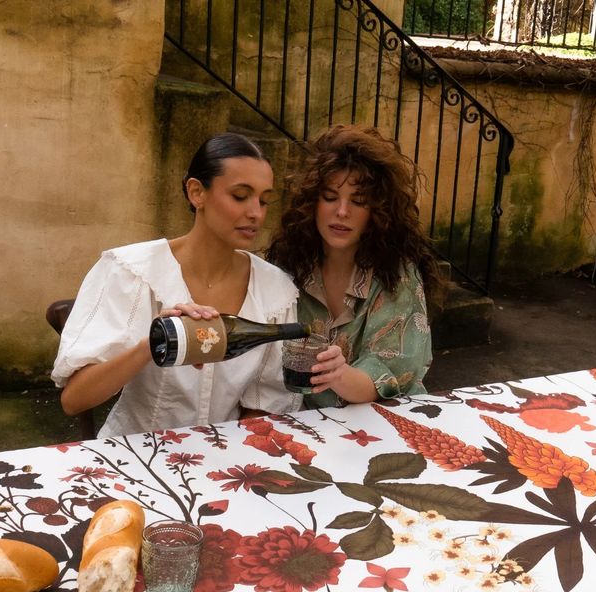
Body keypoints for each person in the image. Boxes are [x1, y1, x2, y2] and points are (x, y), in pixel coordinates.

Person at [52, 133, 302, 437]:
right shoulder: (131, 272)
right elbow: (74, 399)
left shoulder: (275, 292)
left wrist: (231, 452)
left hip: (222, 458)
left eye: (263, 200)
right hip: (134, 455)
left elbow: (266, 401)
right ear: (197, 192)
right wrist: (151, 344)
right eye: (240, 196)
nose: (256, 213)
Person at [267, 124, 439, 408]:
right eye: (330, 197)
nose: (342, 211)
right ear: (311, 201)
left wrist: (338, 374)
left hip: (383, 428)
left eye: (359, 201)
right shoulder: (288, 266)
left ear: (378, 212)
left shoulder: (396, 275)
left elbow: (386, 376)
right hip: (309, 430)